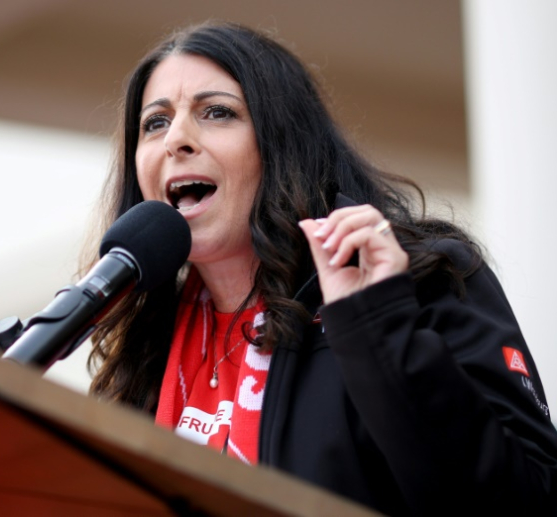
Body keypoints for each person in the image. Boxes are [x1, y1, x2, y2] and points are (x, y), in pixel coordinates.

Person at [80, 21, 557, 515]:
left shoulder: (414, 278)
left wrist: (378, 326)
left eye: (217, 112)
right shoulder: (144, 342)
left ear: (283, 144)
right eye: (154, 122)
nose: (175, 138)